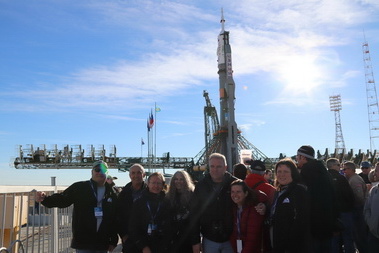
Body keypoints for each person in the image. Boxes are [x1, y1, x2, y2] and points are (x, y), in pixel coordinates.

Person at [35, 161, 118, 253]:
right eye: (97, 169)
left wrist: (113, 240)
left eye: (103, 170)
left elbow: (114, 218)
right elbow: (63, 200)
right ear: (92, 172)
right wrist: (45, 199)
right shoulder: (80, 187)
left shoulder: (112, 192)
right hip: (84, 242)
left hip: (103, 243)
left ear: (107, 172)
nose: (100, 172)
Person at [190, 153, 238, 253]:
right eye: (212, 166)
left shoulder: (235, 183)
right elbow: (194, 214)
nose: (215, 170)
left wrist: (261, 205)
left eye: (219, 166)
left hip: (231, 238)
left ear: (225, 167)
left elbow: (250, 199)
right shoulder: (201, 186)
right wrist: (195, 241)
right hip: (209, 239)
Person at [296, 145, 335, 252]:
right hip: (327, 222)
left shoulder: (306, 171)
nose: (296, 159)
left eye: (297, 156)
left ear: (303, 157)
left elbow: (304, 198)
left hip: (314, 224)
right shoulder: (323, 170)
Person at [268, 158, 310, 252]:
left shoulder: (299, 191)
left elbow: (302, 220)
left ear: (293, 173)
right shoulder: (278, 192)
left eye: (286, 171)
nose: (282, 174)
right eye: (279, 171)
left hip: (292, 246)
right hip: (277, 243)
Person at [128, 172, 172, 253]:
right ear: (148, 184)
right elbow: (133, 227)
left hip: (162, 247)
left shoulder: (167, 202)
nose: (156, 186)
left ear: (163, 185)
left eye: (159, 183)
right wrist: (143, 246)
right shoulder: (139, 202)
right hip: (142, 247)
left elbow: (170, 226)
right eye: (153, 183)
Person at [326, 158, 356, 253]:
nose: (341, 168)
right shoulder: (341, 178)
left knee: (333, 240)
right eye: (339, 165)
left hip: (329, 214)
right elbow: (349, 196)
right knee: (347, 238)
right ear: (333, 166)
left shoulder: (323, 178)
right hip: (344, 213)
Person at [117, 163, 147, 253]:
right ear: (130, 175)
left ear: (144, 175)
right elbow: (118, 216)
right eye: (133, 173)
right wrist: (123, 235)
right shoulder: (123, 194)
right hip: (130, 239)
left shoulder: (150, 191)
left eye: (139, 172)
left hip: (148, 238)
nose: (136, 175)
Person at [229, 179, 266, 253]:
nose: (235, 195)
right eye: (232, 192)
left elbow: (252, 238)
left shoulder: (254, 209)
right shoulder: (234, 208)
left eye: (238, 192)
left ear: (246, 193)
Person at [166, 170, 195, 253]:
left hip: (188, 238)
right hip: (172, 238)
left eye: (181, 179)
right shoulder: (168, 197)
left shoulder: (192, 194)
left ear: (186, 180)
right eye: (176, 179)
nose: (178, 181)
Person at [343, 161, 368, 253]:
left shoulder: (355, 180)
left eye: (345, 169)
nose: (343, 171)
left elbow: (359, 197)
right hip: (357, 210)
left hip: (358, 210)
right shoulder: (352, 179)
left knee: (359, 235)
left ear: (350, 169)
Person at [364, 173, 379, 253]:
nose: (374, 173)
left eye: (377, 170)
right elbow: (367, 208)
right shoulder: (374, 190)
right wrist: (370, 222)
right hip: (373, 234)